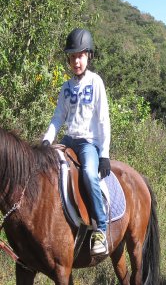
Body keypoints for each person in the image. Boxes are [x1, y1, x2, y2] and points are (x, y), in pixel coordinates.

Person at [42, 28, 111, 256]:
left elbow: (103, 120)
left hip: (87, 143)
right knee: (45, 170)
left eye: (80, 56)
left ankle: (100, 229)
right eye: (72, 57)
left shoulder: (96, 82)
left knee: (89, 174)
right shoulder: (66, 87)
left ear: (88, 56)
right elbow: (58, 116)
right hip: (67, 140)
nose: (76, 61)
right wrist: (46, 141)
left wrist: (104, 154)